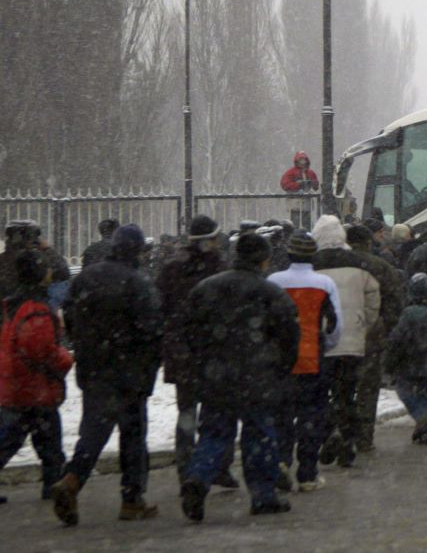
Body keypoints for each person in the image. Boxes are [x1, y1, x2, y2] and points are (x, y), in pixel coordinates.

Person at [178, 232, 299, 521]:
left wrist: (203, 364)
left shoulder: (206, 288)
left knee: (214, 433)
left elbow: (189, 332)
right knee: (259, 436)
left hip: (216, 376)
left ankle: (198, 477)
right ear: (264, 260)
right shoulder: (271, 293)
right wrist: (281, 368)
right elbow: (289, 337)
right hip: (258, 377)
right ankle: (263, 496)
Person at [51, 224, 163, 526]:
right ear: (138, 250)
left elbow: (69, 319)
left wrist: (88, 347)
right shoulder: (139, 282)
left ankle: (72, 479)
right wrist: (148, 364)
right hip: (130, 373)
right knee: (133, 436)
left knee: (93, 432)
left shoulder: (86, 277)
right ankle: (132, 499)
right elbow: (151, 329)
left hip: (94, 368)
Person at [154, 215, 237, 490]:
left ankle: (186, 471)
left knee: (186, 413)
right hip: (214, 352)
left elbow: (161, 309)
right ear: (210, 240)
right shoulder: (221, 269)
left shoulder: (171, 269)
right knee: (219, 414)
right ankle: (218, 466)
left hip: (182, 353)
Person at [267, 231, 340, 492]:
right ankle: (307, 473)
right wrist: (325, 346)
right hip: (312, 357)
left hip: (280, 360)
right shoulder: (324, 283)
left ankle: (281, 462)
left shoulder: (274, 282)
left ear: (288, 254)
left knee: (281, 414)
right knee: (311, 415)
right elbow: (335, 326)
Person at [0, 251, 73, 503]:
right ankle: (53, 487)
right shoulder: (37, 309)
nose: (50, 272)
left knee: (9, 440)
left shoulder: (14, 304)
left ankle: (53, 486)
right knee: (49, 445)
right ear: (39, 275)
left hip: (16, 384)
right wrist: (65, 360)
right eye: (46, 269)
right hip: (35, 388)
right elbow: (41, 350)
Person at [312, 216, 381, 469]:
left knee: (322, 392)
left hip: (323, 340)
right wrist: (365, 323)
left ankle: (330, 432)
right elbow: (373, 297)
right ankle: (348, 439)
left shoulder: (312, 264)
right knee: (347, 392)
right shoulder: (359, 263)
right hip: (353, 340)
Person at [345, 224, 405, 453]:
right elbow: (395, 301)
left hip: (339, 334)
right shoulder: (380, 267)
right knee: (368, 387)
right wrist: (385, 327)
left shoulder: (337, 263)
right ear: (369, 243)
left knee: (342, 385)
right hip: (372, 335)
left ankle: (342, 430)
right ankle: (364, 436)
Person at [383, 273, 427, 445]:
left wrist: (389, 363)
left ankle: (421, 417)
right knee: (425, 395)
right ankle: (423, 427)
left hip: (408, 363)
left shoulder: (408, 314)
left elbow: (396, 340)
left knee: (404, 392)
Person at [280, 151, 319, 228]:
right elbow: (285, 184)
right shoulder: (291, 172)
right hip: (295, 202)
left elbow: (316, 185)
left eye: (304, 160)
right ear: (296, 161)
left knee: (307, 225)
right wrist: (299, 185)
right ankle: (296, 236)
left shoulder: (310, 172)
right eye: (300, 160)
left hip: (306, 203)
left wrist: (312, 183)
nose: (303, 162)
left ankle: (305, 236)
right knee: (295, 224)